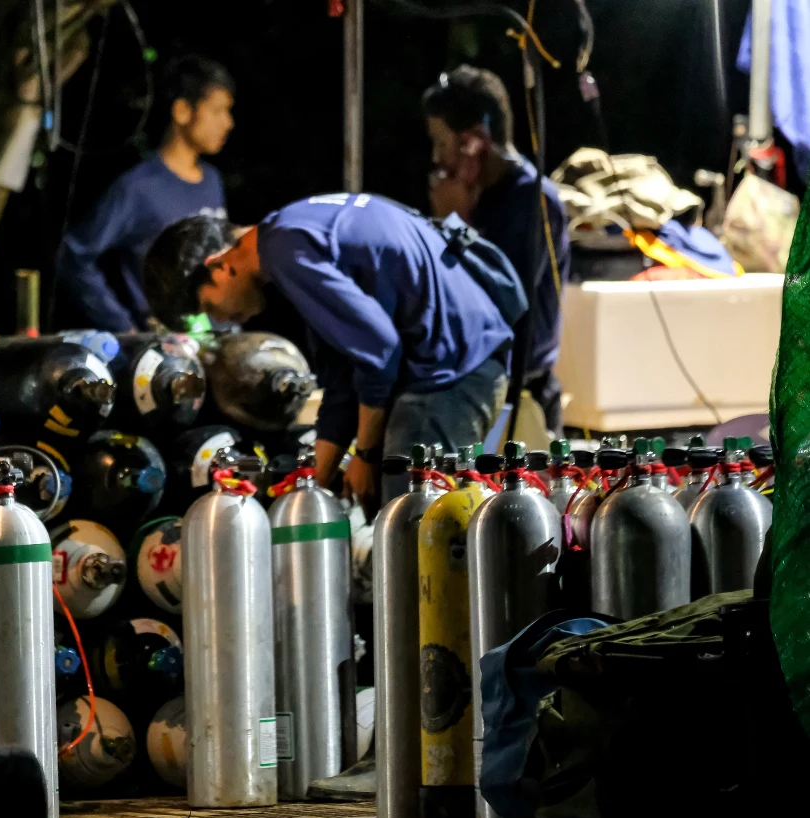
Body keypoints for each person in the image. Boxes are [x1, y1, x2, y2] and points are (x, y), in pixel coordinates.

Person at [144, 192, 520, 517]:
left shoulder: (287, 250)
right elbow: (344, 370)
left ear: (219, 266)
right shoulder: (292, 231)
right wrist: (314, 483)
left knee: (413, 524)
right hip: (465, 357)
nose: (223, 321)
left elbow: (378, 350)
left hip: (452, 372)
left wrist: (366, 455)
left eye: (210, 308)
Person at [423, 65, 571, 433]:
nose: (437, 159)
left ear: (475, 141)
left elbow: (503, 300)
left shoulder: (533, 201)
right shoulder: (477, 197)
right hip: (476, 391)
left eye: (442, 143)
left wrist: (455, 224)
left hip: (520, 405)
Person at [58, 54, 235, 332]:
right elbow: (75, 254)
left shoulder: (212, 181)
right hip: (169, 347)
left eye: (228, 111)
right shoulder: (138, 187)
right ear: (182, 112)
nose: (227, 122)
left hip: (221, 336)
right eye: (216, 111)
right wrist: (121, 325)